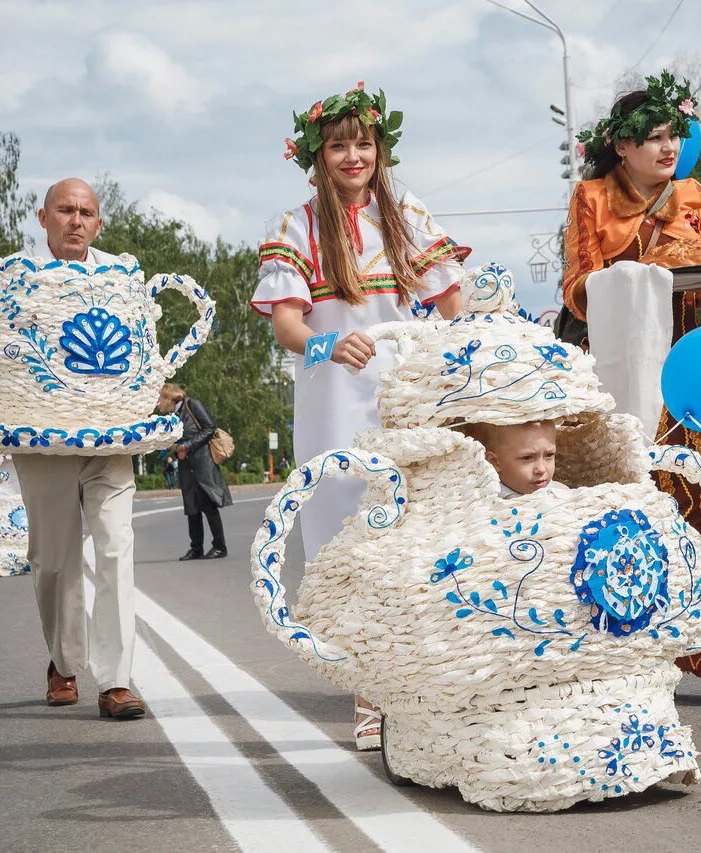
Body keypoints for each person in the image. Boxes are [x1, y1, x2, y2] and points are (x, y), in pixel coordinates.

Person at [250, 83, 466, 749]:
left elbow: (452, 303)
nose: (353, 155)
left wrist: (452, 365)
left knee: (419, 536)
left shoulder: (410, 216)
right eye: (339, 144)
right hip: (335, 402)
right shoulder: (297, 226)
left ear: (381, 149)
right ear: (317, 154)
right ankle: (370, 690)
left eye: (363, 143)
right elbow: (287, 322)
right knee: (350, 540)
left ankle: (427, 684)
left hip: (407, 396)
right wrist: (326, 342)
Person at [563, 72, 701, 699]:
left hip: (688, 367)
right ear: (620, 147)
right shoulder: (593, 199)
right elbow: (576, 289)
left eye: (675, 135)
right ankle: (636, 656)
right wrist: (644, 258)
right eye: (653, 137)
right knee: (637, 505)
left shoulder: (694, 195)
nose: (668, 147)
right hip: (627, 372)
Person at [17, 177, 146, 718]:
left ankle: (116, 681)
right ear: (43, 217)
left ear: (98, 223)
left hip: (109, 440)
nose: (76, 220)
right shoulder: (15, 276)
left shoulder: (121, 276)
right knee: (54, 561)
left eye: (86, 212)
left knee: (115, 547)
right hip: (43, 441)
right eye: (65, 210)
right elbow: (0, 353)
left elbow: (141, 342)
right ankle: (63, 663)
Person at [157, 384, 233, 559]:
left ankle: (220, 546)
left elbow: (210, 428)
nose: (158, 403)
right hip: (186, 465)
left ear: (169, 398)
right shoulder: (171, 416)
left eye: (160, 399)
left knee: (208, 504)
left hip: (202, 463)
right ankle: (196, 548)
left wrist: (187, 445)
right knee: (191, 507)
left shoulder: (192, 405)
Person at [462, 421, 561, 498]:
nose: (541, 469)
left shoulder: (561, 494)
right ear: (494, 462)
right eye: (527, 458)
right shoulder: (485, 505)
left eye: (549, 455)